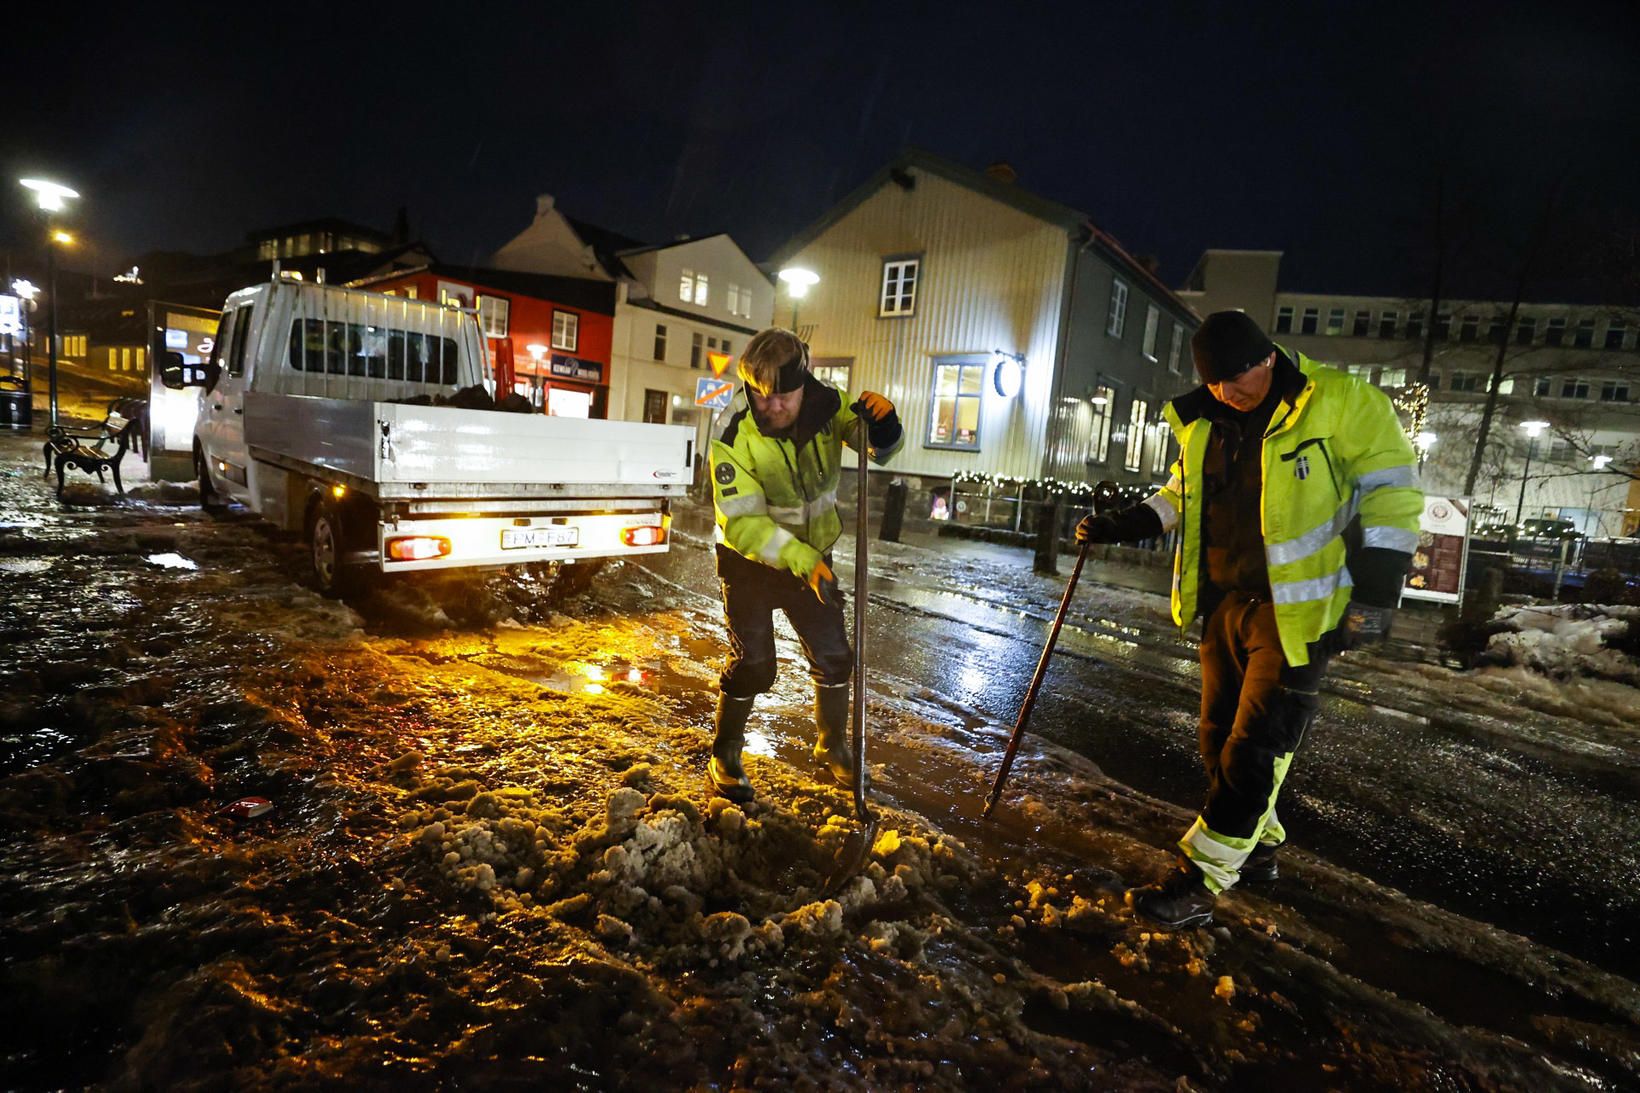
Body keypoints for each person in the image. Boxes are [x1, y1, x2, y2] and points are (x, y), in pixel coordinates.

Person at [1076, 310, 1421, 929]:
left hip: (1300, 612)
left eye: (1236, 380)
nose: (1226, 394)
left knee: (1256, 747)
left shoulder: (1343, 402)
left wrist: (1377, 593)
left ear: (1267, 359)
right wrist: (1122, 523)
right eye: (1214, 384)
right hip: (1225, 603)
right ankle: (1258, 847)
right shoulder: (1207, 420)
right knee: (1216, 739)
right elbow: (1183, 494)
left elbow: (1393, 491)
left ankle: (1200, 880)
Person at [706, 328, 904, 803]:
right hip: (749, 561)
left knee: (835, 656)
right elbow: (743, 524)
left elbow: (878, 449)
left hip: (814, 557)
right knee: (755, 665)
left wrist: (885, 424)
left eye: (783, 397)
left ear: (805, 383)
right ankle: (725, 751)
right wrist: (803, 560)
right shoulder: (733, 430)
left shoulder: (832, 405)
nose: (771, 407)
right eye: (761, 396)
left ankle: (831, 743)